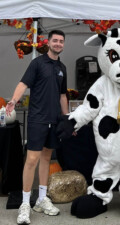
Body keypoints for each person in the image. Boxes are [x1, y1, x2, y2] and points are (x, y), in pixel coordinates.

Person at [6, 30, 69, 225]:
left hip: (54, 119)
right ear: (48, 43)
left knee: (46, 158)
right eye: (55, 41)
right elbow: (23, 83)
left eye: (61, 41)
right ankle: (25, 204)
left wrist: (66, 119)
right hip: (37, 120)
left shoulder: (62, 68)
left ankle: (42, 199)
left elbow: (62, 96)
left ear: (63, 44)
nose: (58, 44)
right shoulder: (37, 63)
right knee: (31, 159)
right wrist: (14, 100)